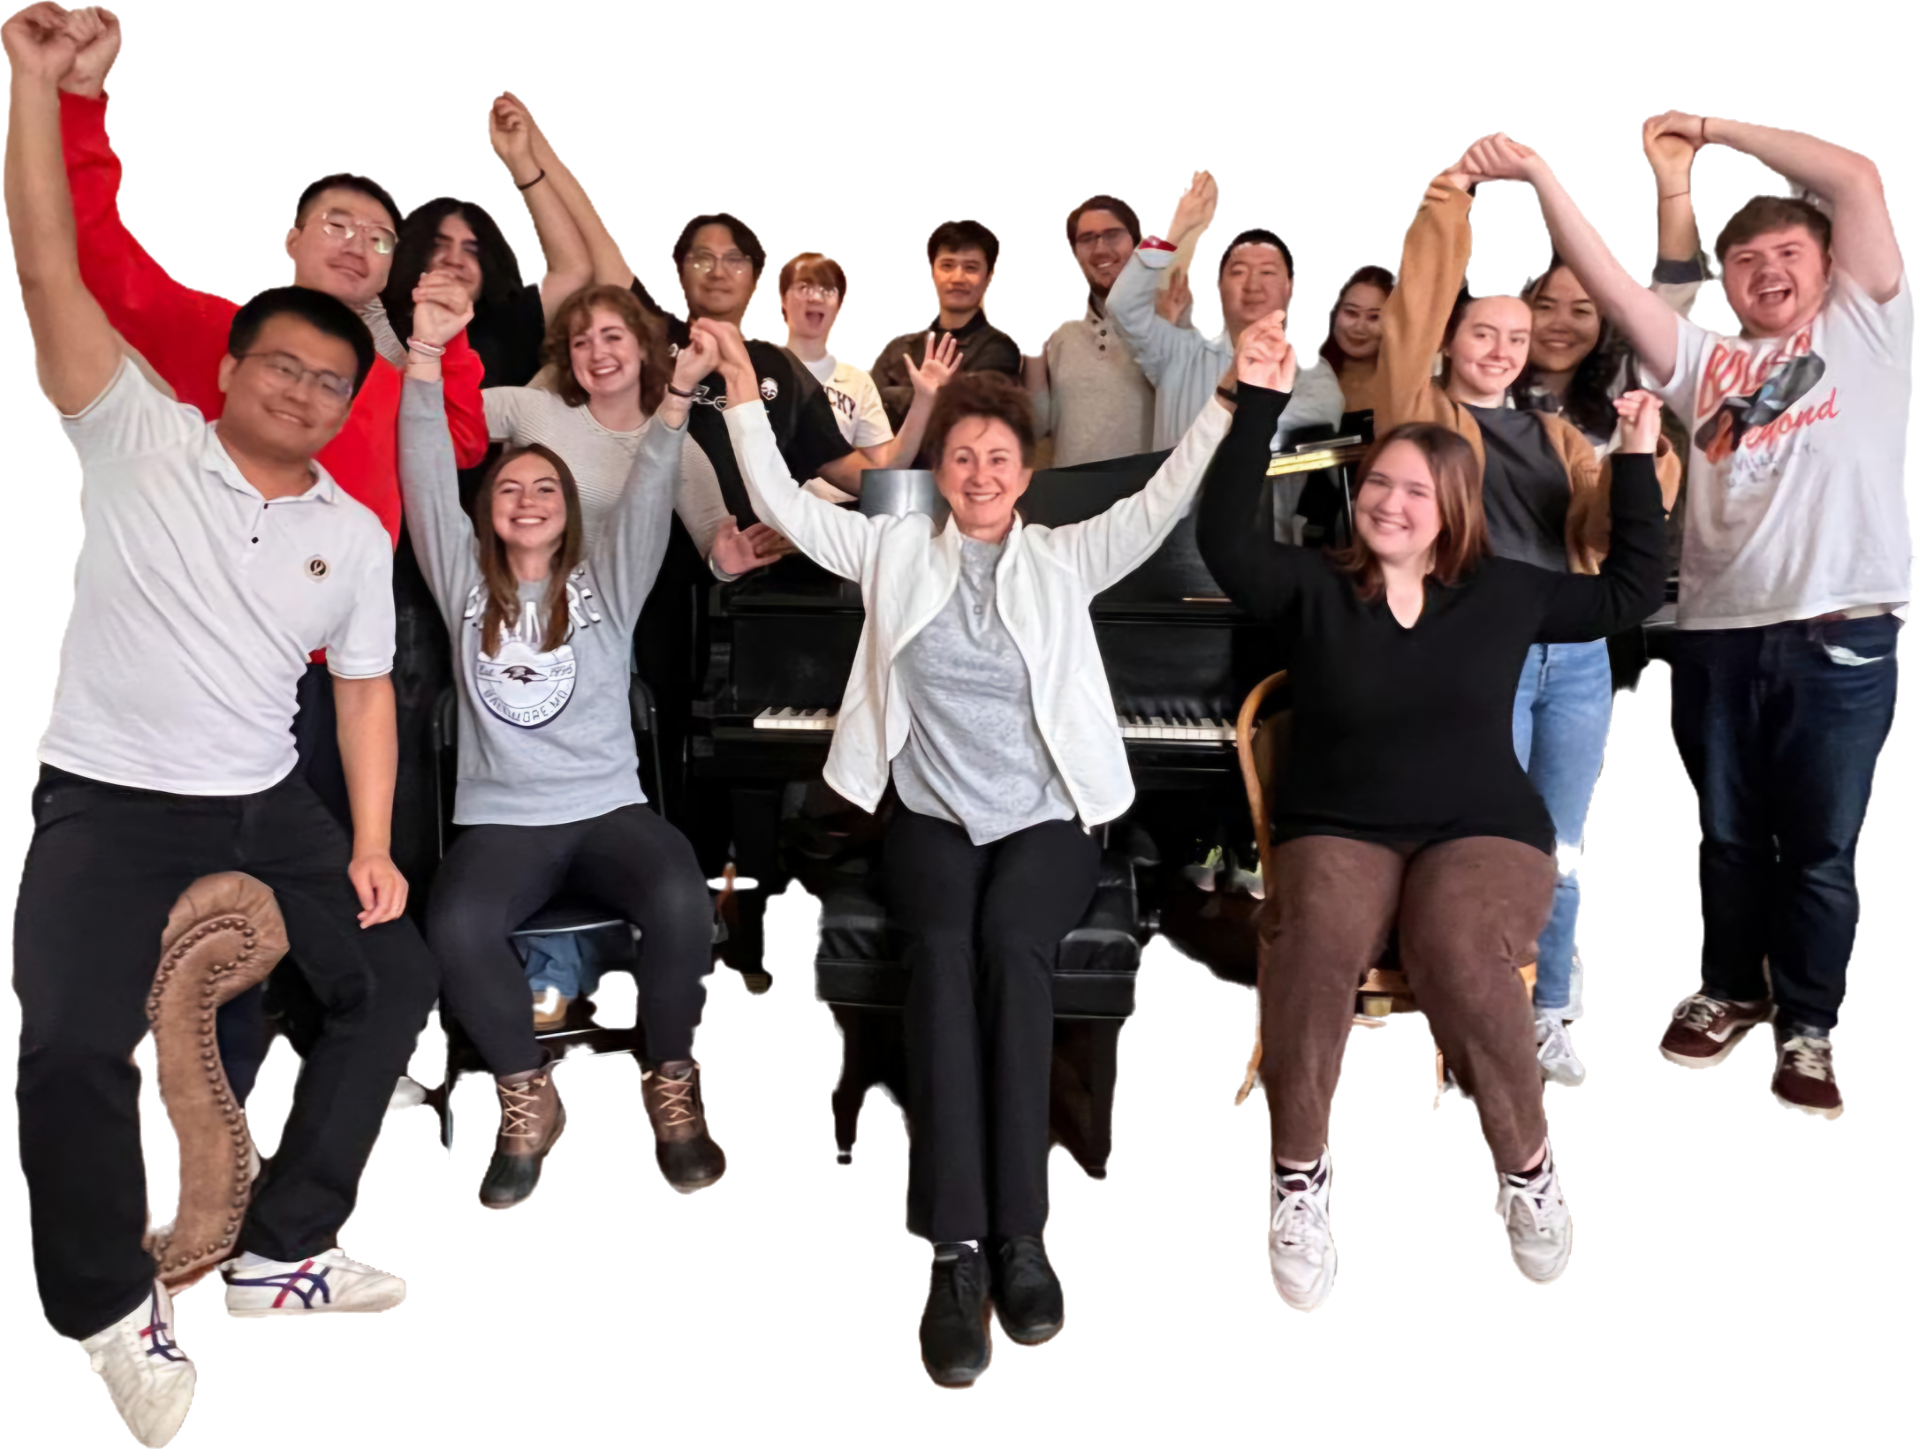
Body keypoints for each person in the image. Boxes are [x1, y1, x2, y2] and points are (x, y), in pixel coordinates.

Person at [5, 9, 441, 1444]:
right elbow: (55, 266)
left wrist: (371, 842)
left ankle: (282, 1252)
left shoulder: (353, 527)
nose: (306, 394)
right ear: (231, 362)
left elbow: (365, 689)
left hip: (265, 788)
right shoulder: (139, 434)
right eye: (283, 370)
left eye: (332, 383)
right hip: (111, 794)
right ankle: (111, 1306)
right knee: (71, 1045)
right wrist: (45, 92)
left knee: (393, 973)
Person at [717, 308, 1288, 1386]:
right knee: (941, 954)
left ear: (1026, 473)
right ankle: (955, 1250)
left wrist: (1225, 401)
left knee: (1013, 953)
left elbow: (1164, 498)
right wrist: (744, 393)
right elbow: (779, 502)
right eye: (963, 457)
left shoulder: (1068, 559)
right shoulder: (890, 549)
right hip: (932, 816)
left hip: (1047, 821)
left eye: (999, 458)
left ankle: (1024, 1235)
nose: (980, 472)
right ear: (940, 469)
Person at [1198, 346, 1668, 1309]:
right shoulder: (1312, 584)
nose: (1392, 503)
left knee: (1456, 942)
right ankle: (1297, 1176)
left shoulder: (1506, 590)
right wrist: (1260, 401)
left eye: (1417, 489)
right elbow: (1221, 541)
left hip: (1481, 828)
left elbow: (1630, 592)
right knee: (1313, 934)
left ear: (1453, 505)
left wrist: (1631, 457)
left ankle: (1528, 1171)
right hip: (1339, 825)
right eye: (1378, 483)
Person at [1492, 115, 1909, 1120]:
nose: (1769, 272)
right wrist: (1545, 174)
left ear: (1826, 265)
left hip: (1839, 633)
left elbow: (1856, 175)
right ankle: (1729, 990)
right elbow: (1606, 276)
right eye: (1746, 261)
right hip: (1714, 632)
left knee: (1819, 847)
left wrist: (1715, 134)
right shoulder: (1698, 362)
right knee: (1725, 833)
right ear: (1722, 282)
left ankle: (1809, 1025)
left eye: (1788, 255)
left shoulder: (1866, 325)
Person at [399, 291, 729, 1207]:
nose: (531, 497)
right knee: (456, 925)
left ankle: (671, 1086)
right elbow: (426, 475)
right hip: (505, 821)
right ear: (488, 511)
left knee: (679, 895)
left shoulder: (607, 583)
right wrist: (424, 361)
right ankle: (527, 1093)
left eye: (547, 486)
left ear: (570, 509)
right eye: (512, 486)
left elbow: (655, 482)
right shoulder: (460, 574)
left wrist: (674, 403)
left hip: (608, 808)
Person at [1373, 140, 1681, 1089]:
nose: (1503, 346)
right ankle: (1480, 1015)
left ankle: (1547, 1009)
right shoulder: (1418, 413)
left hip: (1577, 659)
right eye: (1484, 332)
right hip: (1481, 660)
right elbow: (1413, 304)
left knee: (1560, 846)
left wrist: (1641, 452)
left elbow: (1599, 529)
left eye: (1516, 335)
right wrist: (1450, 196)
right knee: (1478, 844)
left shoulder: (1556, 434)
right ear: (1452, 342)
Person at [1107, 168, 1346, 452]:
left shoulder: (1309, 372)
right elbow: (1122, 307)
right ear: (1219, 285)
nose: (1252, 285)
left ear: (1289, 286)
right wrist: (1176, 231)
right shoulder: (1179, 353)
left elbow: (1318, 417)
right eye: (1239, 272)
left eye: (1267, 273)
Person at [777, 249, 959, 500]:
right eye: (804, 287)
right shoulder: (763, 368)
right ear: (783, 298)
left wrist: (924, 399)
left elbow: (885, 468)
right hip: (767, 520)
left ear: (839, 304)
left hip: (842, 519)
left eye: (828, 289)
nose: (816, 297)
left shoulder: (856, 382)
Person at [1022, 194, 1158, 467]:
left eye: (1112, 235)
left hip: (1145, 498)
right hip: (1072, 497)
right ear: (1075, 253)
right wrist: (1033, 354)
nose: (1100, 249)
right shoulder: (1061, 335)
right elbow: (1036, 428)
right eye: (1087, 239)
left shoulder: (1166, 323)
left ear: (1136, 243)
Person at [870, 218, 1024, 445]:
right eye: (947, 265)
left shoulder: (1000, 350)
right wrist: (942, 395)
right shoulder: (898, 349)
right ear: (933, 271)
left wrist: (900, 396)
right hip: (898, 475)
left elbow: (977, 416)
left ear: (989, 277)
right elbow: (871, 416)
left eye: (970, 268)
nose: (958, 278)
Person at [1318, 264, 1394, 419]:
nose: (1359, 328)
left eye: (1374, 317)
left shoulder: (1402, 389)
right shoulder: (1306, 376)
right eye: (1351, 313)